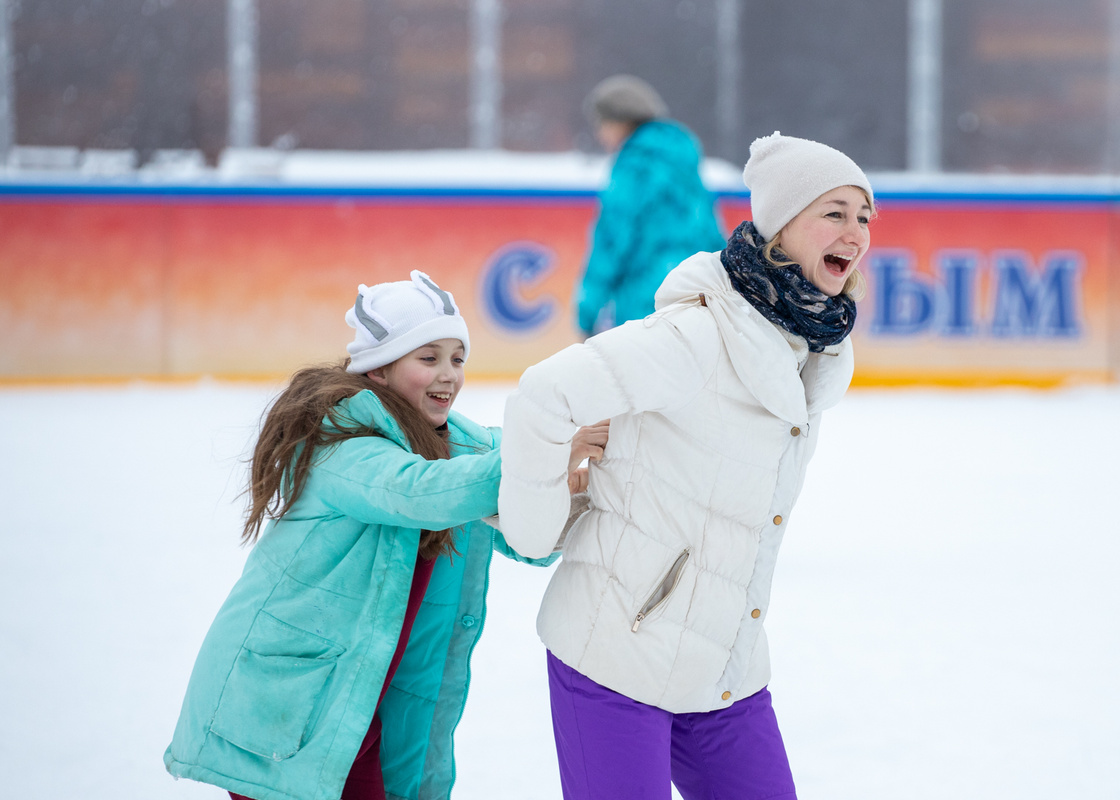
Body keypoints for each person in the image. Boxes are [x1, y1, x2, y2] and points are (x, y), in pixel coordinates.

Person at [498, 133, 874, 799]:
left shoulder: (808, 351)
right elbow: (543, 397)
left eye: (865, 216)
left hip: (723, 672)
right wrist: (532, 531)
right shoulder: (696, 336)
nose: (856, 231)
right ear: (781, 224)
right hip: (613, 656)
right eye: (834, 212)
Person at [163, 271, 605, 800]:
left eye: (457, 357)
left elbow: (527, 533)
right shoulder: (342, 442)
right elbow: (419, 493)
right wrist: (552, 452)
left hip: (363, 710)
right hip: (293, 707)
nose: (449, 374)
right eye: (428, 357)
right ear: (378, 368)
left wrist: (577, 491)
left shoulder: (458, 447)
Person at [575, 74, 726, 337]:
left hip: (646, 304)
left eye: (602, 124)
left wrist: (587, 312)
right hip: (697, 302)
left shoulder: (634, 165)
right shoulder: (684, 161)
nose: (600, 135)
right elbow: (711, 234)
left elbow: (612, 240)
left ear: (621, 122)